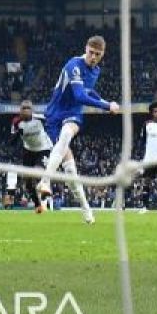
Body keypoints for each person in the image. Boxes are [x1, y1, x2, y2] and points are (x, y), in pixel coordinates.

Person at [35, 35, 120, 225]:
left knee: (67, 134)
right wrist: (107, 107)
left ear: (102, 54)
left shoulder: (95, 70)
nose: (93, 57)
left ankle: (45, 180)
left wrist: (106, 101)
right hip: (54, 115)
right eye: (91, 53)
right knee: (71, 171)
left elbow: (89, 91)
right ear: (86, 49)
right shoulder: (74, 65)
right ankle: (86, 209)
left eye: (98, 54)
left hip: (73, 114)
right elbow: (80, 95)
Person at [10, 99, 53, 212]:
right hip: (28, 150)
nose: (25, 111)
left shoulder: (40, 119)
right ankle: (38, 205)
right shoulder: (16, 122)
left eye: (28, 108)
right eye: (23, 108)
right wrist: (18, 132)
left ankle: (44, 187)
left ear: (32, 110)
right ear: (20, 110)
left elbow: (52, 122)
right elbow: (12, 142)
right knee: (27, 181)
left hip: (43, 148)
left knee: (37, 171)